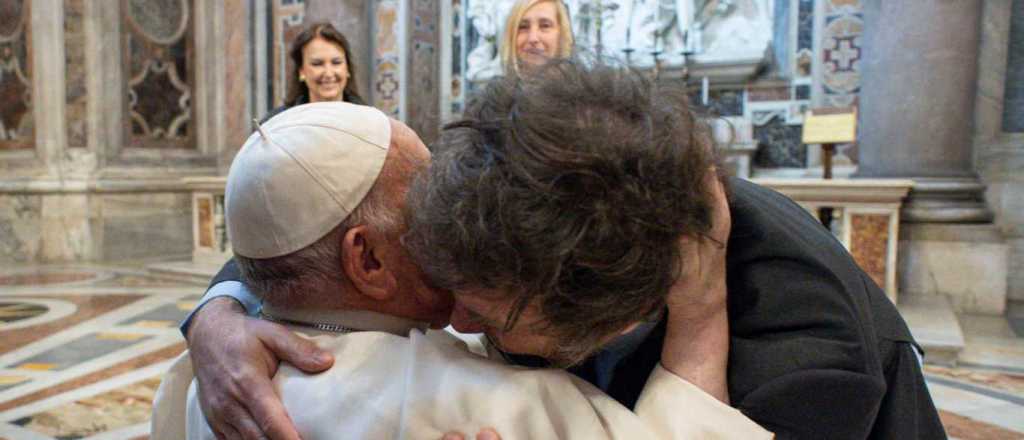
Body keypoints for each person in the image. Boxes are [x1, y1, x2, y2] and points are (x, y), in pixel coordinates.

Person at [182, 59, 945, 439]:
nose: (458, 322)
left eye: (479, 309)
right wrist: (223, 309)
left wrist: (703, 321)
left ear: (607, 309)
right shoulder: (521, 190)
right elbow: (302, 239)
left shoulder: (802, 374)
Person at [153, 101, 770, 440]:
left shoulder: (196, 384)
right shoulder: (491, 410)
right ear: (367, 259)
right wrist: (702, 305)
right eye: (425, 199)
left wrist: (217, 310)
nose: (458, 209)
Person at [264, 22, 365, 122]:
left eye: (336, 62)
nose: (328, 73)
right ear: (301, 71)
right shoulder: (275, 125)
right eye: (317, 64)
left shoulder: (369, 121)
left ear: (347, 69)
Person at [499, 0, 574, 73]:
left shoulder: (582, 84)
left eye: (545, 26)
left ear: (561, 34)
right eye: (523, 27)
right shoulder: (495, 84)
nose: (532, 38)